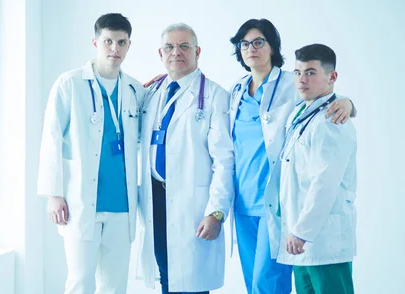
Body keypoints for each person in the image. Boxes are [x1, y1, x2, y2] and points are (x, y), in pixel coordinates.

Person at [227, 19, 356, 294]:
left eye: (259, 42)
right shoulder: (236, 91)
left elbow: (324, 101)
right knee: (254, 283)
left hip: (273, 203)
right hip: (243, 201)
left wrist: (347, 103)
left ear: (273, 47)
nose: (252, 48)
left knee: (267, 282)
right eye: (245, 43)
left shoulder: (291, 82)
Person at [36, 13, 144, 294]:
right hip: (81, 203)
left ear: (129, 45)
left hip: (122, 205)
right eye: (108, 41)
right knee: (79, 282)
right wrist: (54, 194)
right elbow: (50, 139)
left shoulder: (135, 89)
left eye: (121, 42)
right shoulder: (69, 84)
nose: (114, 49)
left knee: (114, 286)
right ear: (95, 42)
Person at [136, 22, 234, 294]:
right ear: (160, 53)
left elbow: (224, 161)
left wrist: (216, 211)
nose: (175, 52)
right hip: (156, 199)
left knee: (192, 281)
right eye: (169, 47)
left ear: (197, 51)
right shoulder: (152, 92)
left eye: (184, 46)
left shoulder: (214, 96)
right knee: (166, 274)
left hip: (194, 203)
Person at [277, 43, 357, 294]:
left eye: (310, 72)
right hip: (301, 239)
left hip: (324, 241)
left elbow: (325, 183)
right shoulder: (300, 113)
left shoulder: (332, 120)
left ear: (332, 77)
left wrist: (302, 231)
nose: (301, 80)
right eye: (298, 72)